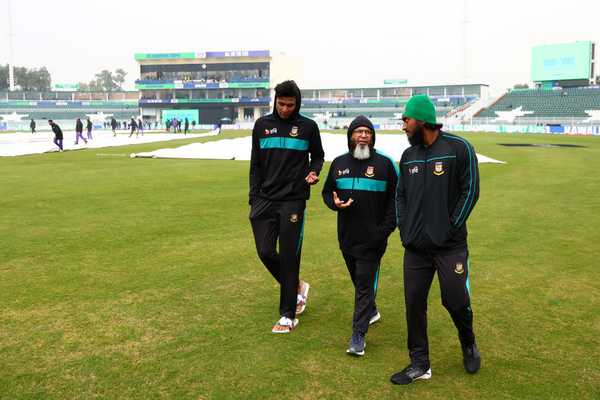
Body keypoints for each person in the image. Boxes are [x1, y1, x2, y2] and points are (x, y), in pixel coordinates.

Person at [391, 95, 481, 385]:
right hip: (415, 248)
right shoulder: (409, 156)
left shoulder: (459, 148)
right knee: (414, 303)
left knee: (455, 300)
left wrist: (451, 226)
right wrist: (405, 228)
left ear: (421, 120)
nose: (403, 125)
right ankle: (419, 363)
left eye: (406, 120)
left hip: (450, 246)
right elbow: (400, 195)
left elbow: (471, 190)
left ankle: (468, 342)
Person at [249, 80, 324, 334]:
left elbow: (318, 156)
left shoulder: (308, 127)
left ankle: (287, 315)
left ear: (297, 103)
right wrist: (253, 197)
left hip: (293, 199)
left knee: (290, 256)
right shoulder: (261, 125)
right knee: (265, 251)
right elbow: (255, 163)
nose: (284, 109)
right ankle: (297, 286)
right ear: (275, 101)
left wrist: (313, 171)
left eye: (290, 105)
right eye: (281, 104)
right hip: (264, 199)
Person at [322, 115, 398, 356]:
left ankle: (358, 336)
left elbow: (397, 200)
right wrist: (334, 203)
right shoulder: (338, 163)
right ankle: (371, 310)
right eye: (359, 131)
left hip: (373, 239)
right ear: (351, 136)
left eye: (368, 132)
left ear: (373, 137)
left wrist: (383, 231)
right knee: (358, 279)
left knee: (364, 284)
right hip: (346, 238)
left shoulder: (385, 164)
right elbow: (327, 192)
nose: (363, 135)